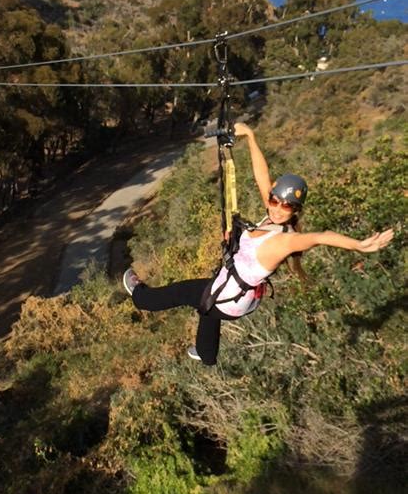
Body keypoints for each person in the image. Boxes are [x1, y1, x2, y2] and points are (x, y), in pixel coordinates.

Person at [123, 123, 394, 366]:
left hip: (231, 297)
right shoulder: (275, 216)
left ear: (295, 210)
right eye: (274, 200)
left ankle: (140, 296)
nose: (276, 208)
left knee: (182, 293)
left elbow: (321, 236)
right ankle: (206, 354)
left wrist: (359, 245)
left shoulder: (285, 240)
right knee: (208, 305)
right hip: (238, 298)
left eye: (286, 206)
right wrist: (251, 137)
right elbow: (261, 176)